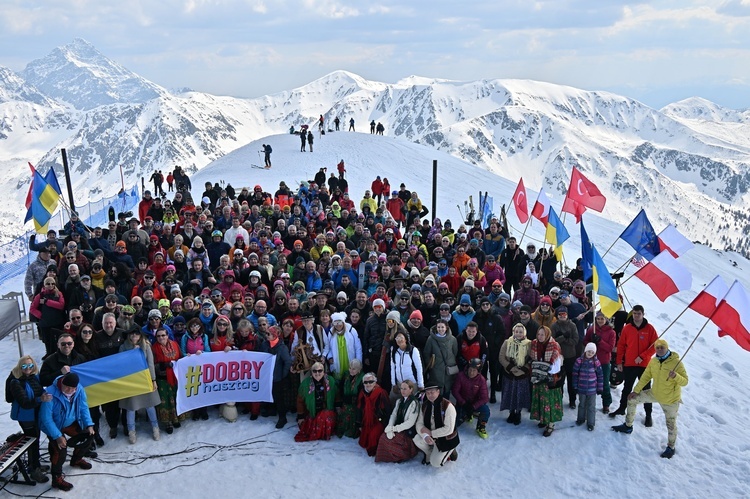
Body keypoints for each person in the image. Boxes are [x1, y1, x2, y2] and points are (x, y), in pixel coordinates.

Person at [612, 338, 689, 459]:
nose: (659, 349)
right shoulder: (654, 361)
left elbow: (685, 381)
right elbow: (646, 376)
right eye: (657, 348)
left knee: (671, 424)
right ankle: (628, 426)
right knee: (632, 400)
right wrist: (636, 391)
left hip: (670, 400)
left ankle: (671, 447)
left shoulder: (676, 362)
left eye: (662, 347)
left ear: (667, 348)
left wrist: (676, 376)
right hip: (655, 393)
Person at [39, 372, 95, 492]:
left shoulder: (79, 390)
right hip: (54, 425)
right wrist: (58, 436)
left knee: (88, 436)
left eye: (72, 388)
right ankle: (56, 478)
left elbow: (84, 407)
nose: (69, 390)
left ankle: (76, 459)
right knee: (60, 450)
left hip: (70, 421)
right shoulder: (50, 393)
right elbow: (46, 418)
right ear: (62, 383)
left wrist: (89, 424)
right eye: (67, 387)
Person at [610, 305, 658, 426]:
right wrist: (619, 361)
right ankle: (622, 408)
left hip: (644, 365)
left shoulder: (650, 328)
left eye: (639, 313)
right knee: (627, 388)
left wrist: (643, 356)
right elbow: (621, 346)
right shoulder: (627, 328)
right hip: (630, 364)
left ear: (643, 314)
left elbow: (655, 346)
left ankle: (648, 415)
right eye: (635, 313)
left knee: (646, 390)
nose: (637, 316)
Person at [8, 355, 51, 483]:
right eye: (25, 366)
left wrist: (43, 394)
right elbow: (25, 403)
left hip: (35, 414)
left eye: (30, 366)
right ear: (20, 367)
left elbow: (38, 391)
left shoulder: (34, 377)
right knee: (32, 442)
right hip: (26, 416)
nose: (28, 368)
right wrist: (40, 399)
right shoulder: (16, 382)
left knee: (36, 439)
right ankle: (33, 470)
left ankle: (36, 465)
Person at [119, 329, 161, 444]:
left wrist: (153, 379)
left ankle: (155, 427)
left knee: (149, 404)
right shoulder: (123, 347)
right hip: (131, 379)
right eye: (132, 333)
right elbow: (121, 363)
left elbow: (150, 363)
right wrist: (132, 354)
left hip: (144, 378)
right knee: (131, 407)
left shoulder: (146, 345)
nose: (134, 335)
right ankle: (131, 431)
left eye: (137, 333)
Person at [413, 385, 459, 467]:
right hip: (431, 437)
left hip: (446, 439)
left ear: (438, 392)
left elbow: (449, 429)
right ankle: (429, 453)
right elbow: (419, 423)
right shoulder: (425, 405)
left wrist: (431, 433)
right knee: (417, 439)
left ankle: (450, 451)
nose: (430, 395)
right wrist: (425, 436)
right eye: (427, 393)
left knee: (435, 463)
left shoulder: (448, 406)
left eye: (432, 392)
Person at [375, 380, 420, 463]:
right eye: (401, 388)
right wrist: (389, 426)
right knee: (383, 437)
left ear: (411, 389)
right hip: (396, 427)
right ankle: (389, 458)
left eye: (405, 389)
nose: (402, 391)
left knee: (389, 441)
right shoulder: (399, 401)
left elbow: (410, 422)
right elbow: (394, 415)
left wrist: (394, 429)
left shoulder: (415, 403)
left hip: (406, 431)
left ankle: (401, 456)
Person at [529, 326, 563, 437]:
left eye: (542, 334)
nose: (540, 337)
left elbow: (556, 366)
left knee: (549, 402)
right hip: (538, 378)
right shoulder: (534, 343)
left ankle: (551, 424)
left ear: (547, 335)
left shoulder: (554, 345)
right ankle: (543, 419)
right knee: (540, 400)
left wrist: (543, 369)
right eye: (538, 334)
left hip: (549, 378)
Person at [295, 361, 337, 442]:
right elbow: (300, 401)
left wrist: (338, 408)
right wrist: (300, 416)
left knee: (324, 417)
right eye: (315, 371)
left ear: (323, 371)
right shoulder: (305, 383)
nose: (317, 373)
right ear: (311, 372)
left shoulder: (330, 381)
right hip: (312, 412)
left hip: (326, 411)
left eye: (320, 371)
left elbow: (337, 394)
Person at [583, 311, 617, 413]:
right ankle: (587, 401)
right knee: (589, 381)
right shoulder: (592, 329)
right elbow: (585, 341)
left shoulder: (611, 332)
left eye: (602, 319)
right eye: (598, 319)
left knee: (604, 383)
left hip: (604, 361)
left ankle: (606, 403)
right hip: (591, 359)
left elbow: (610, 348)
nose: (600, 321)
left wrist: (600, 341)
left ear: (606, 319)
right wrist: (591, 343)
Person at [499, 323, 532, 425]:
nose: (518, 334)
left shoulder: (529, 344)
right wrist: (511, 368)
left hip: (522, 375)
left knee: (520, 394)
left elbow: (531, 358)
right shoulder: (507, 342)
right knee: (510, 393)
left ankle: (518, 412)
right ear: (513, 332)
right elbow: (501, 357)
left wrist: (523, 369)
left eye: (521, 332)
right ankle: (511, 412)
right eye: (516, 331)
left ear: (524, 333)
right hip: (509, 373)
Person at [152, 326, 182, 434]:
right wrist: (164, 365)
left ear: (167, 335)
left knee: (174, 397)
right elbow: (152, 364)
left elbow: (181, 357)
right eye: (158, 336)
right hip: (161, 378)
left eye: (163, 335)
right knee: (165, 401)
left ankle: (175, 418)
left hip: (175, 376)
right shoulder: (154, 348)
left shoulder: (174, 344)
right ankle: (167, 422)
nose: (161, 338)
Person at [452, 358, 490, 438]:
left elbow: (485, 397)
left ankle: (481, 426)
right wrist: (463, 403)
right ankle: (465, 415)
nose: (471, 372)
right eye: (470, 369)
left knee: (486, 410)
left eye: (474, 370)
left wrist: (473, 406)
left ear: (478, 371)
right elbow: (455, 391)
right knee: (455, 424)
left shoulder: (481, 380)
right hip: (462, 403)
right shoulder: (460, 376)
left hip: (474, 403)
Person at [356, 372, 390, 456]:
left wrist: (387, 425)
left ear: (375, 382)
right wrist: (359, 423)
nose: (368, 384)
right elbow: (359, 409)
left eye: (370, 382)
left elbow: (388, 410)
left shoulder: (381, 393)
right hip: (366, 420)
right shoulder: (362, 393)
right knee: (364, 439)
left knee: (373, 436)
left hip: (379, 420)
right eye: (366, 382)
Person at [423, 319, 458, 397]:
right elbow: (426, 353)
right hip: (436, 369)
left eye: (442, 327)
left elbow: (455, 352)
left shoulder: (452, 339)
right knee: (437, 390)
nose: (440, 329)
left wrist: (450, 361)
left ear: (446, 328)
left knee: (447, 389)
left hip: (449, 369)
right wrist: (431, 365)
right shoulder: (431, 339)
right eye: (438, 327)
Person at [572, 343, 603, 431]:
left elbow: (600, 375)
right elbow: (575, 374)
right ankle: (580, 419)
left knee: (591, 406)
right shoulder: (579, 361)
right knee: (582, 404)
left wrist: (600, 388)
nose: (590, 354)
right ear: (585, 351)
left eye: (592, 352)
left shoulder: (596, 362)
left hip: (592, 389)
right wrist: (574, 386)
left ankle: (590, 423)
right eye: (589, 351)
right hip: (581, 388)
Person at [335, 359, 364, 438]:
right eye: (350, 368)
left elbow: (361, 394)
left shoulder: (362, 378)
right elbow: (340, 389)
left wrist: (352, 399)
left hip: (355, 403)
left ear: (359, 370)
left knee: (351, 411)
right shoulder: (346, 375)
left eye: (354, 369)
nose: (351, 370)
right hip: (345, 400)